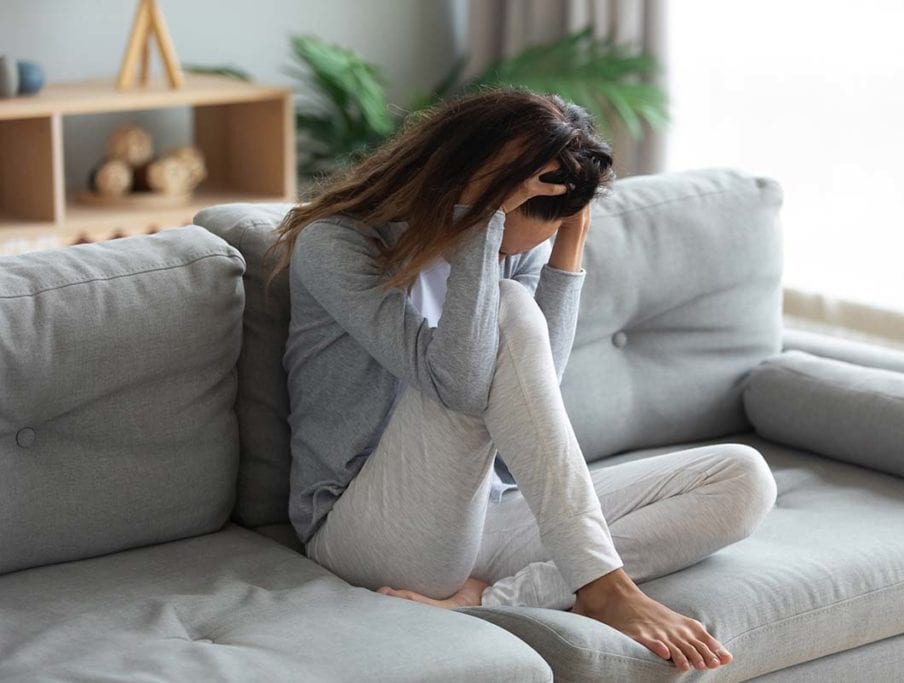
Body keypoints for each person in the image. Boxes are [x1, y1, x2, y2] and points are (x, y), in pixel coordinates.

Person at [264, 87, 778, 673]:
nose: (512, 255)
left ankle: (487, 600)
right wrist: (480, 226)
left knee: (744, 477)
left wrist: (568, 247)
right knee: (508, 305)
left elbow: (537, 391)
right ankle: (601, 583)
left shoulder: (521, 243)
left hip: (487, 510)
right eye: (505, 237)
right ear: (457, 182)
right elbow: (460, 386)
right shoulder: (335, 243)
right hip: (368, 529)